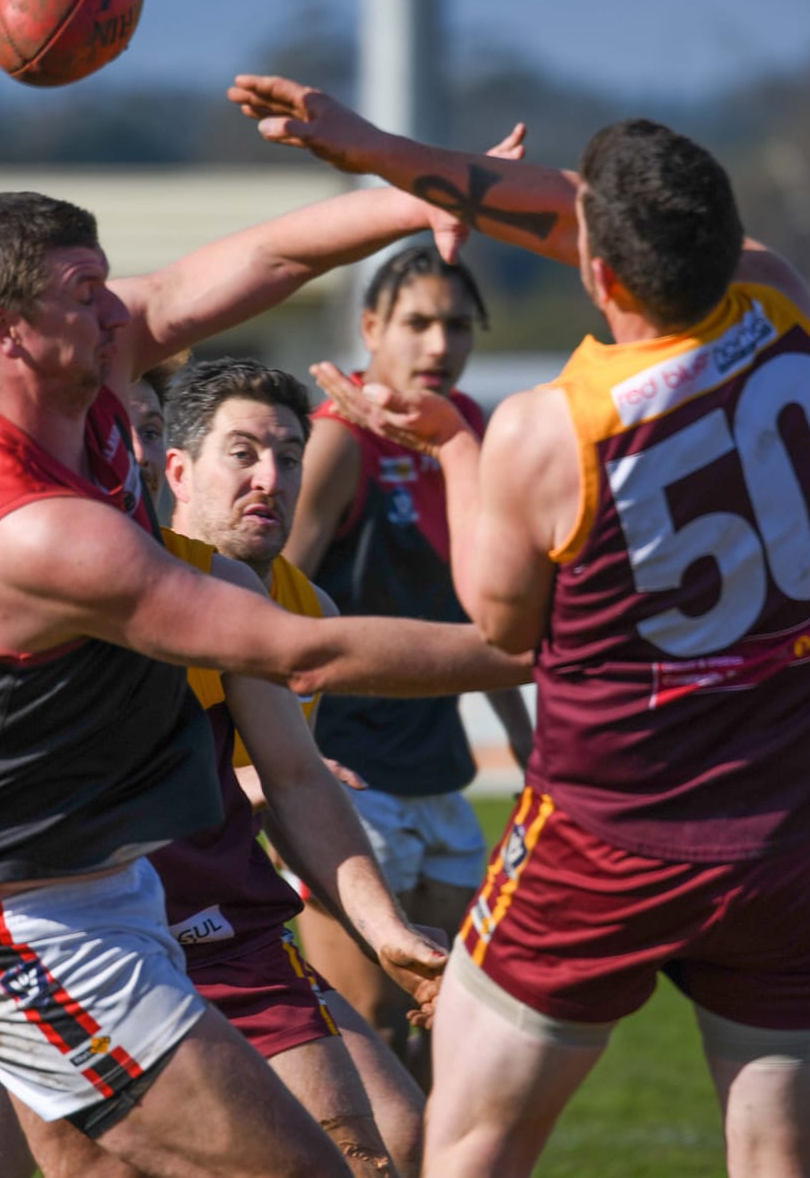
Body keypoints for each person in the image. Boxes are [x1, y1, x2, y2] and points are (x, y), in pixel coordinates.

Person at [0, 176, 535, 1176]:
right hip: (24, 931)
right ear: (5, 330)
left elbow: (249, 267)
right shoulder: (47, 536)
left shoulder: (74, 399)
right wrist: (542, 645)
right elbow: (300, 651)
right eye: (84, 292)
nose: (116, 307)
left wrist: (408, 192)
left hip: (112, 895)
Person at [233, 74, 810, 1177]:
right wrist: (379, 151)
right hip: (800, 833)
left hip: (610, 834)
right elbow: (561, 207)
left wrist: (449, 445)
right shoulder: (783, 305)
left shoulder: (549, 430)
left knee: (473, 1142)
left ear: (594, 270)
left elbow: (501, 626)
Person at [285, 246, 534, 1078]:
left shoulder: (469, 430)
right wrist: (277, 752)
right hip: (348, 784)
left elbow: (490, 612)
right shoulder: (338, 440)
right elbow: (266, 607)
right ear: (370, 329)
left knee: (451, 1036)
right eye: (417, 322)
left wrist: (532, 743)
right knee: (368, 1042)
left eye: (457, 324)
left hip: (440, 776)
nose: (439, 344)